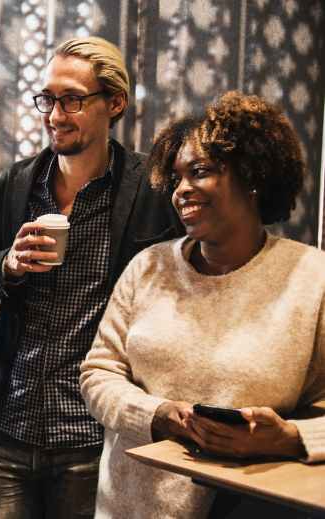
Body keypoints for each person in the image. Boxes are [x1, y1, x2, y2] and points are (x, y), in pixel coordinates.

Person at [80, 91, 325, 518]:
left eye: (200, 172)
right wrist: (158, 414)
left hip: (246, 508)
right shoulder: (149, 267)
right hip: (127, 505)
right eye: (175, 178)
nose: (181, 191)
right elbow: (98, 372)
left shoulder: (312, 278)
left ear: (253, 175)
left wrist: (288, 438)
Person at [0, 36, 182, 518]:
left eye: (72, 99)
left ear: (115, 103)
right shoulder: (15, 185)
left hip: (92, 437)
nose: (54, 114)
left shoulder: (150, 191)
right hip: (7, 427)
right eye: (48, 98)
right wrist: (9, 265)